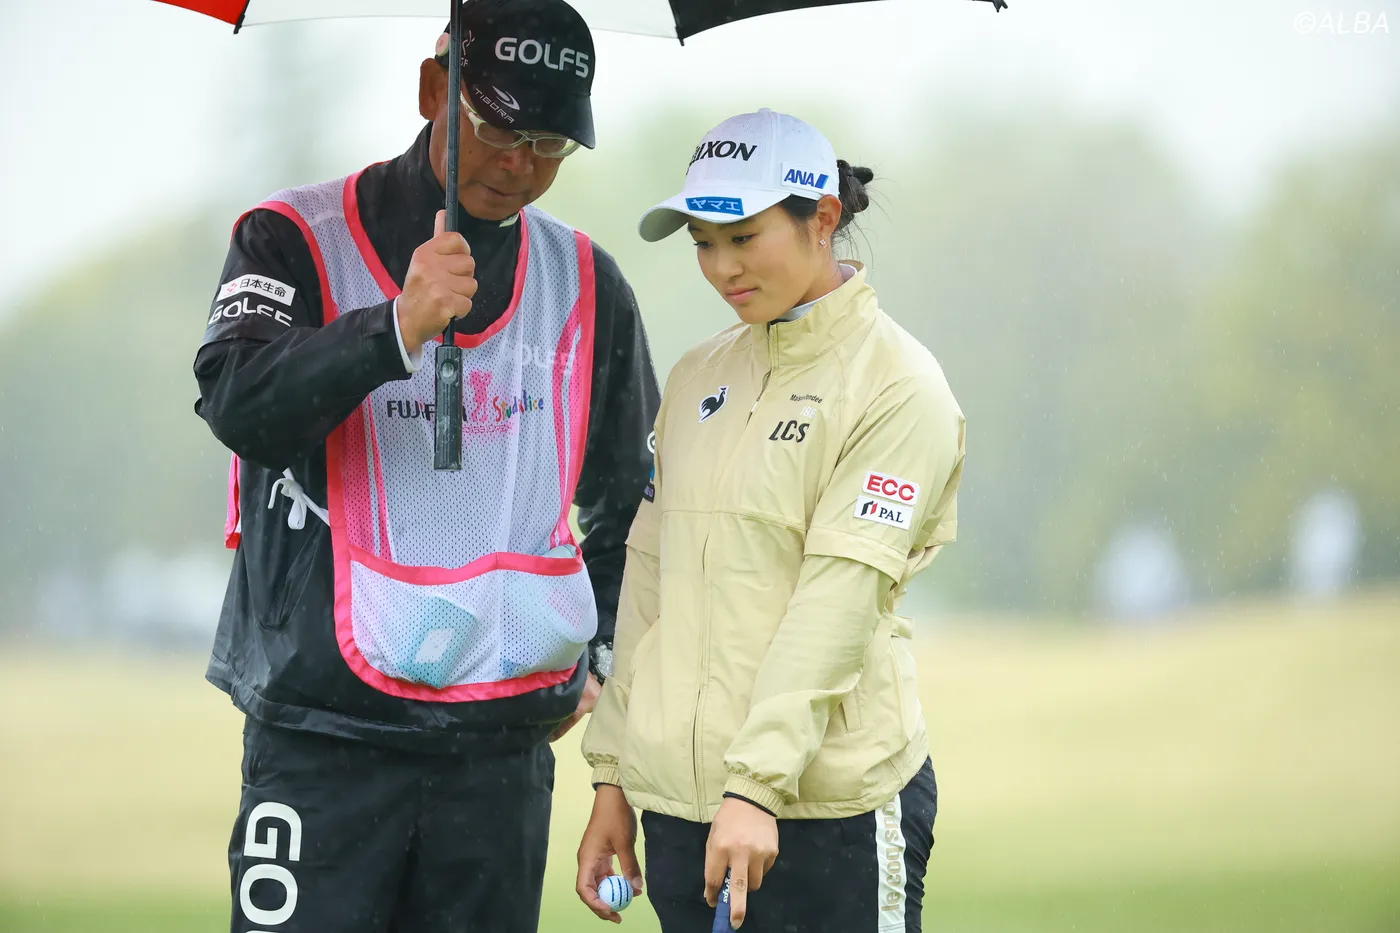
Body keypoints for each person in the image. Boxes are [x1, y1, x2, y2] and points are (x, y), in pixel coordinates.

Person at [193, 1, 659, 930]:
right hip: (322, 738)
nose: (519, 164)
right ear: (432, 90)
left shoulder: (589, 281)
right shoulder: (291, 236)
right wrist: (395, 328)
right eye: (499, 128)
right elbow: (239, 406)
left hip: (500, 750)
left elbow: (634, 508)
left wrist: (602, 657)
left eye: (550, 143)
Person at [576, 109, 965, 932]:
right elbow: (649, 582)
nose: (722, 266)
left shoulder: (899, 385)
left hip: (827, 811)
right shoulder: (697, 375)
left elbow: (838, 603)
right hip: (683, 811)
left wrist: (755, 787)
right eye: (703, 242)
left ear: (822, 217)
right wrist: (613, 773)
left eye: (744, 236)